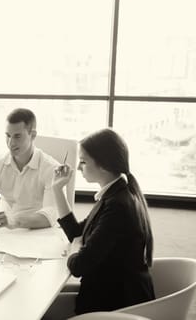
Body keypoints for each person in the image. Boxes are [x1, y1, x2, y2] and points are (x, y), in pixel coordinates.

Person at [45, 128, 155, 318]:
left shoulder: (118, 206)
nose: (78, 167)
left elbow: (78, 266)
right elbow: (76, 232)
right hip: (111, 291)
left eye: (83, 161)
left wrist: (75, 249)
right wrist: (57, 189)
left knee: (40, 312)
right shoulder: (116, 194)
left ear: (103, 165)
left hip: (116, 305)